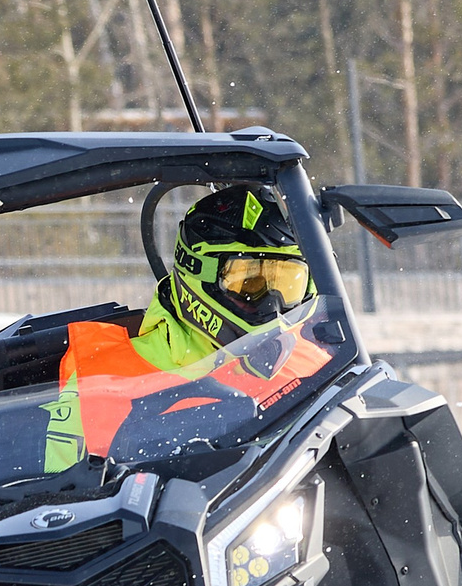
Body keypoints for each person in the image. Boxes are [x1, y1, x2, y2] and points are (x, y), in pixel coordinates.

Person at [42, 185, 335, 472]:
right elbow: (58, 494)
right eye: (248, 282)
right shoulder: (97, 373)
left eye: (287, 284)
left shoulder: (317, 367)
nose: (270, 303)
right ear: (195, 269)